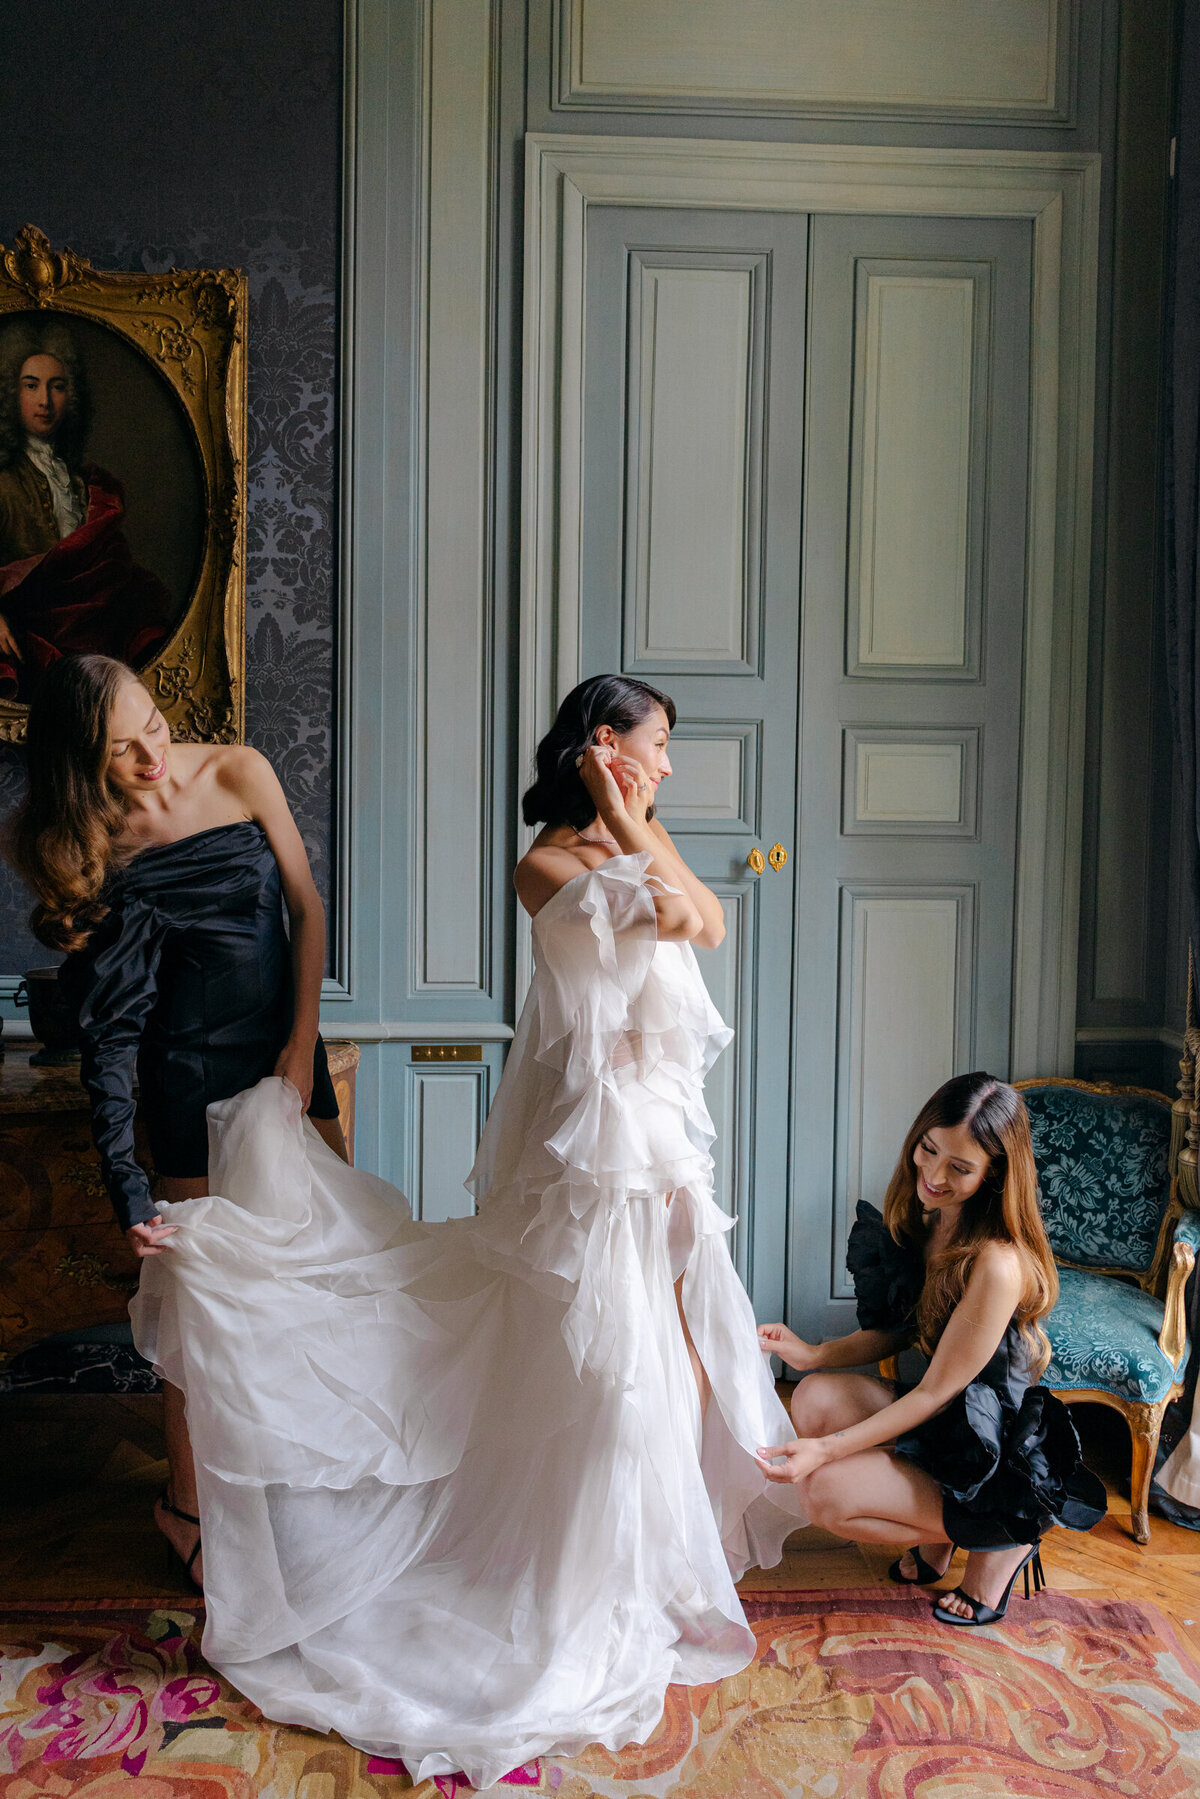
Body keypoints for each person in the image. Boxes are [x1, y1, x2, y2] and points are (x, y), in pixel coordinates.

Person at [83, 671, 804, 1789]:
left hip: (657, 1148)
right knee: (603, 1359)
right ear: (605, 745)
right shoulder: (545, 866)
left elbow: (703, 919)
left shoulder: (630, 832)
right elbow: (667, 916)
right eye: (653, 747)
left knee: (663, 1350)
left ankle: (639, 1562)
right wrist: (618, 825)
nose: (666, 767)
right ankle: (543, 1571)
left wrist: (631, 817)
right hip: (593, 1153)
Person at [8, 653, 346, 1591]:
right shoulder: (91, 843)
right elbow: (111, 1032)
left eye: (153, 723)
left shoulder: (239, 768)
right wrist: (124, 1180)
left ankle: (305, 1487)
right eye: (121, 748)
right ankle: (188, 1511)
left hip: (285, 1055)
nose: (153, 751)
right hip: (184, 1078)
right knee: (200, 1315)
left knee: (325, 1276)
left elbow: (306, 907)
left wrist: (299, 1044)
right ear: (83, 763)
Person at [755, 1072, 1106, 1627]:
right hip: (944, 1419)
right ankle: (944, 1536)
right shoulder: (933, 1216)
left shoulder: (996, 1262)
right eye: (929, 1150)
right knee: (816, 1396)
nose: (934, 1175)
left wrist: (826, 1452)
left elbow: (939, 1388)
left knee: (822, 1492)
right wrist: (813, 1355)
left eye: (960, 1168)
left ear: (995, 1176)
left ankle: (1005, 1536)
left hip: (986, 1450)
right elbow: (902, 1327)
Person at [0, 318, 173, 701]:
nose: (45, 400)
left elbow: (105, 570)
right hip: (37, 638)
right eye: (31, 385)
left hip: (97, 631)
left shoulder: (83, 480)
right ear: (12, 393)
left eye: (57, 386)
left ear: (72, 396)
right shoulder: (3, 481)